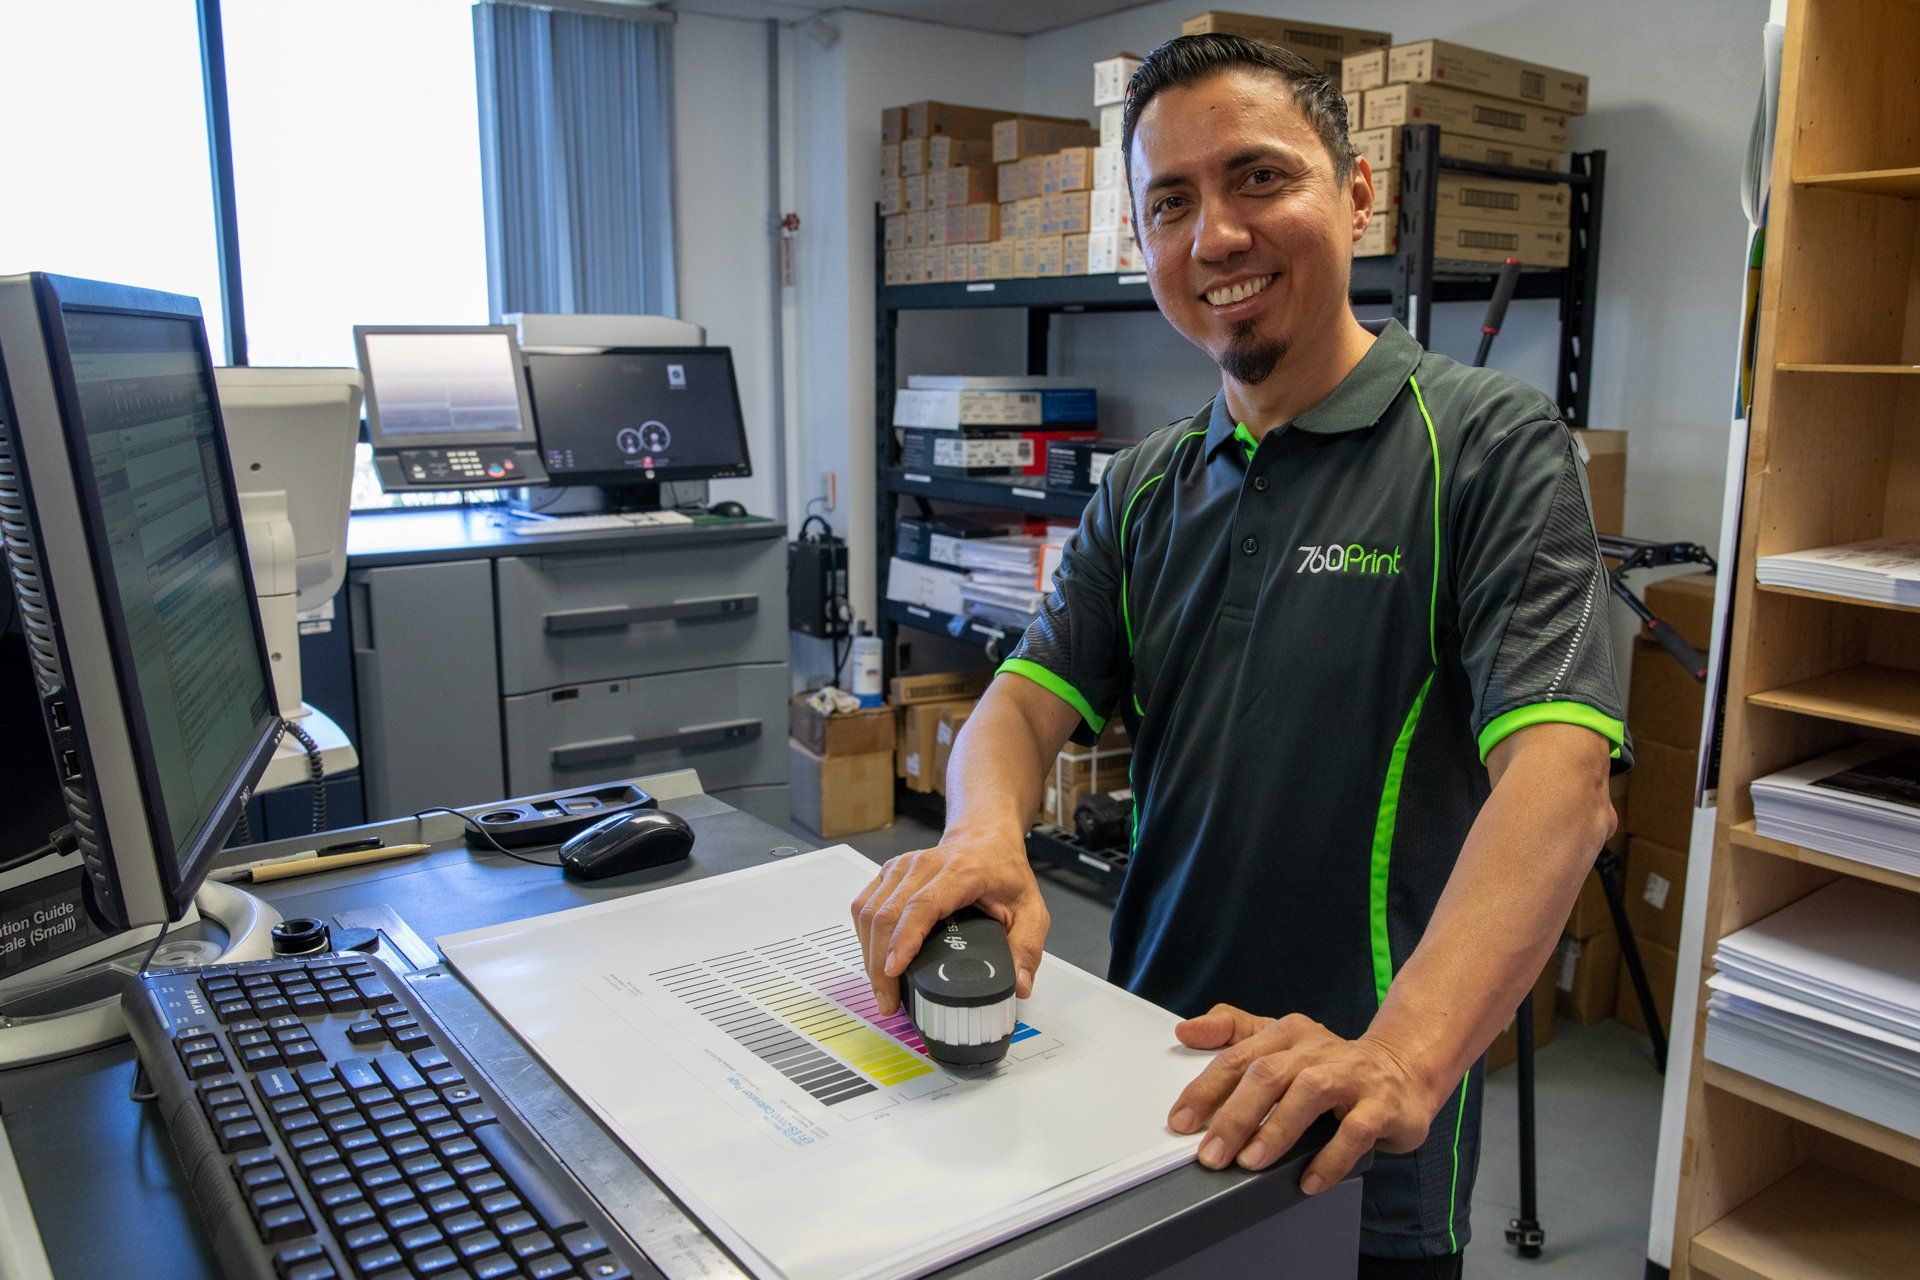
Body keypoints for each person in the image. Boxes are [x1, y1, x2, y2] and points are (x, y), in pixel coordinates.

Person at [854, 33, 1626, 1279]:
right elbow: (1021, 700)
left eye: (1259, 178)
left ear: (1358, 192)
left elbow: (1561, 782)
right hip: (1139, 1075)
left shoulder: (1487, 444)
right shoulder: (1149, 481)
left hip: (1357, 1117)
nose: (1214, 236)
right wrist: (984, 833)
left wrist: (1404, 1054)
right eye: (1171, 203)